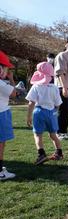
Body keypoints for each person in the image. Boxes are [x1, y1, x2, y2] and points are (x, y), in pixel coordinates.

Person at [26, 62, 63, 165]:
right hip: (51, 113)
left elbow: (31, 102)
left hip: (39, 112)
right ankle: (59, 152)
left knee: (38, 135)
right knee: (53, 135)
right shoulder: (54, 87)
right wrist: (55, 112)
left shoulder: (36, 86)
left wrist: (29, 116)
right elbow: (58, 103)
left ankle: (41, 154)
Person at [0, 51, 16, 180]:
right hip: (1, 114)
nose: (7, 71)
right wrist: (11, 79)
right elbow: (13, 94)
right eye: (6, 68)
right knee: (1, 142)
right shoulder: (1, 84)